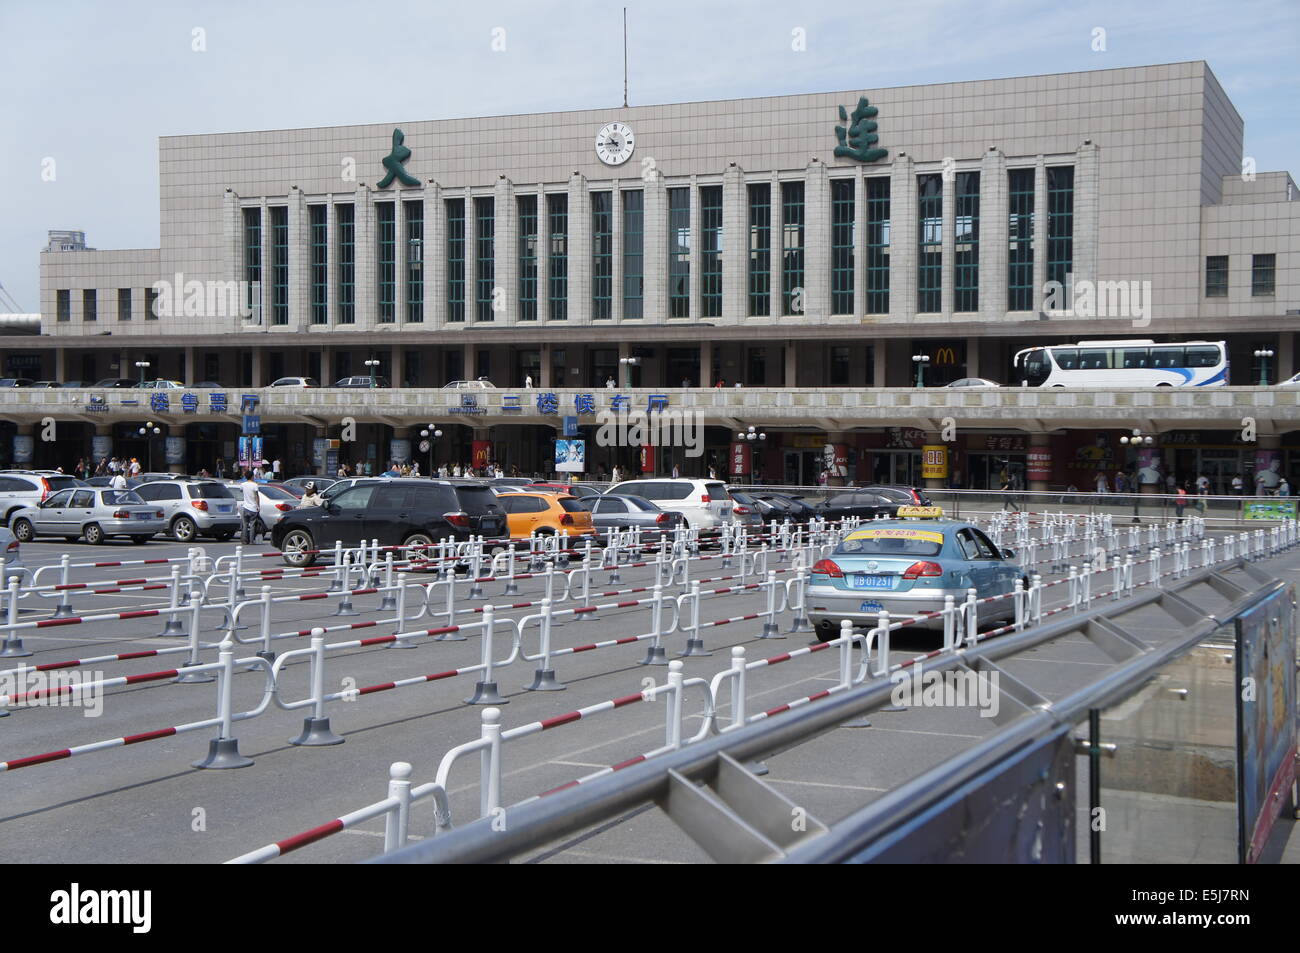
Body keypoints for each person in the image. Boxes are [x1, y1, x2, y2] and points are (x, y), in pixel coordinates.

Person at [239, 470, 261, 544]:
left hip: (245, 507)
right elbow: (256, 496)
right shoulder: (255, 485)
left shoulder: (243, 484)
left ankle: (244, 540)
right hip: (253, 508)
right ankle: (251, 541)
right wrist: (258, 506)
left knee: (245, 525)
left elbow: (241, 491)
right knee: (252, 525)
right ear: (252, 476)